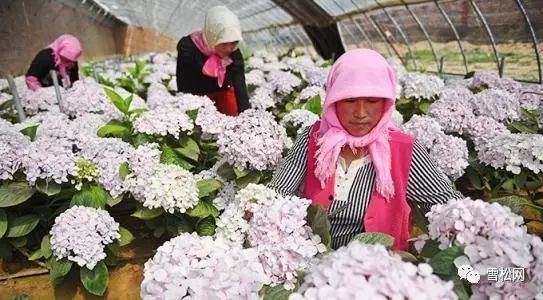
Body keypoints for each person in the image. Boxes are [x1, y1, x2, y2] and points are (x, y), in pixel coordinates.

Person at [268, 49, 463, 251]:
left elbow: (449, 205)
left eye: (372, 101)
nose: (360, 113)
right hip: (308, 264)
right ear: (333, 100)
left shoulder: (405, 151)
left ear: (386, 102)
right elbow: (278, 193)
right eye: (349, 100)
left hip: (376, 272)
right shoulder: (313, 139)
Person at [176, 6, 250, 116]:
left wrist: (246, 115)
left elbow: (240, 85)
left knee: (232, 118)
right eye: (224, 43)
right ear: (212, 36)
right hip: (195, 93)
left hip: (223, 91)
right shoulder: (189, 48)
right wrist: (185, 105)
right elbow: (182, 78)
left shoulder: (235, 54)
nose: (229, 49)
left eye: (234, 42)